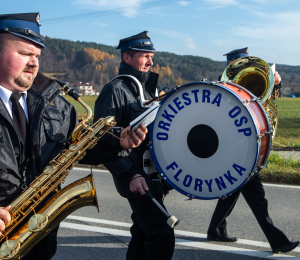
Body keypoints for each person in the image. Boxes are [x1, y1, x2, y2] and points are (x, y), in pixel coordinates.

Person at [0, 13, 147, 260]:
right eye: (25, 54)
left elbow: (76, 146)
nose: (34, 63)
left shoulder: (55, 103)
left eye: (37, 56)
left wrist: (118, 141)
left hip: (36, 236)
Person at [91, 31, 175, 260]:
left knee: (142, 233)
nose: (150, 61)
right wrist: (130, 175)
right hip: (136, 177)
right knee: (162, 234)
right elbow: (102, 141)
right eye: (145, 56)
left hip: (151, 175)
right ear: (126, 58)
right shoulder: (115, 90)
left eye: (151, 56)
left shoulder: (147, 89)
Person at [207, 47, 299, 254]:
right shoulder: (223, 87)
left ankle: (215, 230)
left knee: (231, 192)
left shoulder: (251, 82)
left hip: (249, 148)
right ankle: (278, 242)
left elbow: (269, 101)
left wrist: (276, 84)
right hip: (239, 152)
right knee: (258, 198)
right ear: (232, 66)